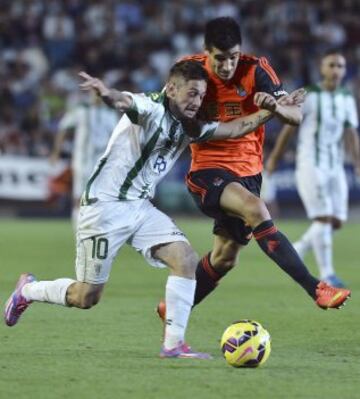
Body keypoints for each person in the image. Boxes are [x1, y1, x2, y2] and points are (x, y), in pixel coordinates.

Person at [4, 60, 292, 359]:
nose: (197, 102)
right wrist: (105, 92)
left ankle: (173, 345)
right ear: (171, 89)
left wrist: (273, 109)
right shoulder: (151, 107)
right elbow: (123, 100)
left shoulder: (192, 125)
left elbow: (235, 128)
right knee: (86, 296)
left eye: (201, 95)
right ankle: (28, 290)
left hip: (140, 207)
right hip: (105, 208)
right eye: (191, 94)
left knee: (186, 259)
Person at [155, 18, 350, 321]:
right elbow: (167, 105)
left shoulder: (256, 69)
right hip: (207, 169)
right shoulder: (190, 72)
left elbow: (295, 115)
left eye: (233, 57)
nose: (227, 65)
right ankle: (317, 289)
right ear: (206, 52)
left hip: (249, 172)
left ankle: (178, 305)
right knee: (255, 208)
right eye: (220, 58)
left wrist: (275, 107)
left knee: (225, 257)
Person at [266, 49, 360, 288]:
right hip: (310, 163)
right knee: (324, 218)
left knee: (337, 221)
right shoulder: (309, 95)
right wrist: (275, 157)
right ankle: (327, 274)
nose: (336, 70)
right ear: (322, 68)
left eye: (340, 66)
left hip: (335, 166)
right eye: (331, 65)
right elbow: (289, 128)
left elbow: (351, 134)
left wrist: (357, 162)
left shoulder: (346, 98)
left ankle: (299, 247)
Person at [50, 91, 118, 229]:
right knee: (79, 196)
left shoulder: (110, 114)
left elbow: (117, 137)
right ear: (91, 95)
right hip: (82, 160)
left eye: (100, 94)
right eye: (95, 94)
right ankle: (78, 229)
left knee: (101, 196)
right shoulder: (81, 110)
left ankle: (97, 227)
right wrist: (56, 151)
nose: (98, 97)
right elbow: (63, 127)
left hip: (102, 161)